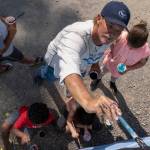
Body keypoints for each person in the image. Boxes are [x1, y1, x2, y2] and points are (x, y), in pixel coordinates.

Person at [34, 1, 130, 122]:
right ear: (99, 18)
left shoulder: (104, 37)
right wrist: (89, 102)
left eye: (118, 31)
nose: (112, 34)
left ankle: (72, 93)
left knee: (75, 85)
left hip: (82, 65)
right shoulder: (76, 35)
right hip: (55, 64)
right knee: (48, 75)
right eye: (110, 26)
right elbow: (69, 70)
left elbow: (98, 52)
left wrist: (94, 64)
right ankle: (40, 73)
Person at [90, 21, 150, 93]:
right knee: (102, 71)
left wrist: (128, 68)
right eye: (127, 42)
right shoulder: (122, 35)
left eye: (133, 47)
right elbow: (112, 43)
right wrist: (111, 51)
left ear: (142, 45)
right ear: (128, 34)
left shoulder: (145, 51)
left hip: (121, 69)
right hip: (109, 61)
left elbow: (142, 63)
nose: (129, 46)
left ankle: (112, 82)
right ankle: (98, 79)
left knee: (115, 76)